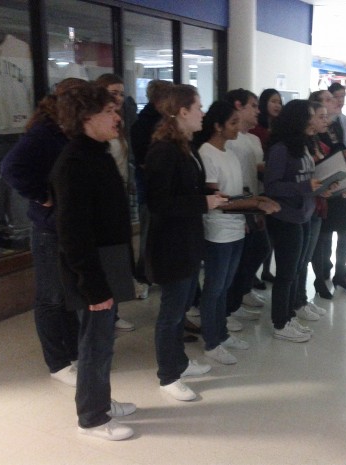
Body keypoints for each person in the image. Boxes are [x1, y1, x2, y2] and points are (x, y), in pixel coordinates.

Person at [50, 81, 136, 440]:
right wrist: (92, 283)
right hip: (93, 266)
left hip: (109, 258)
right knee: (94, 343)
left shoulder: (96, 152)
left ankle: (101, 399)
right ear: (86, 117)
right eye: (109, 111)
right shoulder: (74, 162)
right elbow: (73, 233)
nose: (117, 116)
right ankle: (92, 416)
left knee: (104, 340)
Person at [0, 78, 85, 387]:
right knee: (50, 297)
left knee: (66, 296)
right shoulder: (44, 133)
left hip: (66, 226)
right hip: (49, 228)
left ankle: (75, 353)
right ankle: (57, 361)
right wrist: (41, 194)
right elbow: (11, 167)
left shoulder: (68, 131)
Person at [144, 85, 224, 401]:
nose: (203, 112)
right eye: (198, 107)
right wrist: (203, 203)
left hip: (188, 241)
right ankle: (168, 375)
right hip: (171, 245)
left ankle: (179, 361)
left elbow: (187, 189)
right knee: (172, 312)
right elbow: (160, 203)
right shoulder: (163, 150)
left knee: (181, 305)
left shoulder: (185, 146)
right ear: (182, 111)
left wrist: (208, 196)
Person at [196, 100, 279, 365]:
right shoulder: (206, 152)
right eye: (232, 123)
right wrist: (254, 204)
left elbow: (237, 191)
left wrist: (253, 204)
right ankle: (211, 341)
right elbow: (215, 198)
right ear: (218, 126)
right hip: (217, 230)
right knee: (214, 288)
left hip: (235, 227)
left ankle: (221, 332)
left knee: (225, 286)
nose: (236, 128)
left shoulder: (229, 152)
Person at [264, 99, 331, 342]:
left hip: (304, 214)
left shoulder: (302, 145)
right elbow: (272, 185)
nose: (314, 120)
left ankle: (289, 315)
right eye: (311, 116)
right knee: (286, 273)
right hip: (286, 217)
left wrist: (319, 189)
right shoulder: (281, 148)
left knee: (295, 270)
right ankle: (280, 323)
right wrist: (304, 187)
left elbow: (307, 180)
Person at [223, 88, 270, 325]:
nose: (257, 111)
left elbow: (255, 171)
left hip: (252, 203)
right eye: (253, 105)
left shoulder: (252, 138)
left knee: (256, 251)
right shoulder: (230, 139)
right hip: (237, 205)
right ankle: (228, 306)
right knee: (237, 259)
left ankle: (238, 297)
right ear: (239, 106)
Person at [95, 73, 136, 332]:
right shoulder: (97, 130)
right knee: (105, 260)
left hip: (120, 195)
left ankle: (115, 310)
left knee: (120, 258)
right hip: (103, 203)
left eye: (121, 93)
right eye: (113, 93)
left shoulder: (120, 126)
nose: (118, 98)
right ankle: (104, 313)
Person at [310, 89, 346, 297]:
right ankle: (321, 277)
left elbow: (340, 150)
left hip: (341, 186)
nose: (337, 102)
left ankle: (340, 272)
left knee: (345, 231)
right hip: (325, 190)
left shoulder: (336, 126)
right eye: (330, 99)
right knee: (324, 236)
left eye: (338, 98)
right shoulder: (314, 132)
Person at [130, 79, 173, 298]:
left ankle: (158, 273)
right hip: (149, 190)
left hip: (165, 191)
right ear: (159, 100)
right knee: (148, 235)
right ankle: (142, 277)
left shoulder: (169, 122)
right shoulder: (143, 124)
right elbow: (143, 161)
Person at [250, 88, 283, 283]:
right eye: (273, 101)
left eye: (279, 101)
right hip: (259, 184)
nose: (277, 105)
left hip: (271, 187)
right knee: (261, 233)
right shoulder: (257, 131)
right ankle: (253, 274)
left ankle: (266, 270)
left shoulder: (279, 129)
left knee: (270, 232)